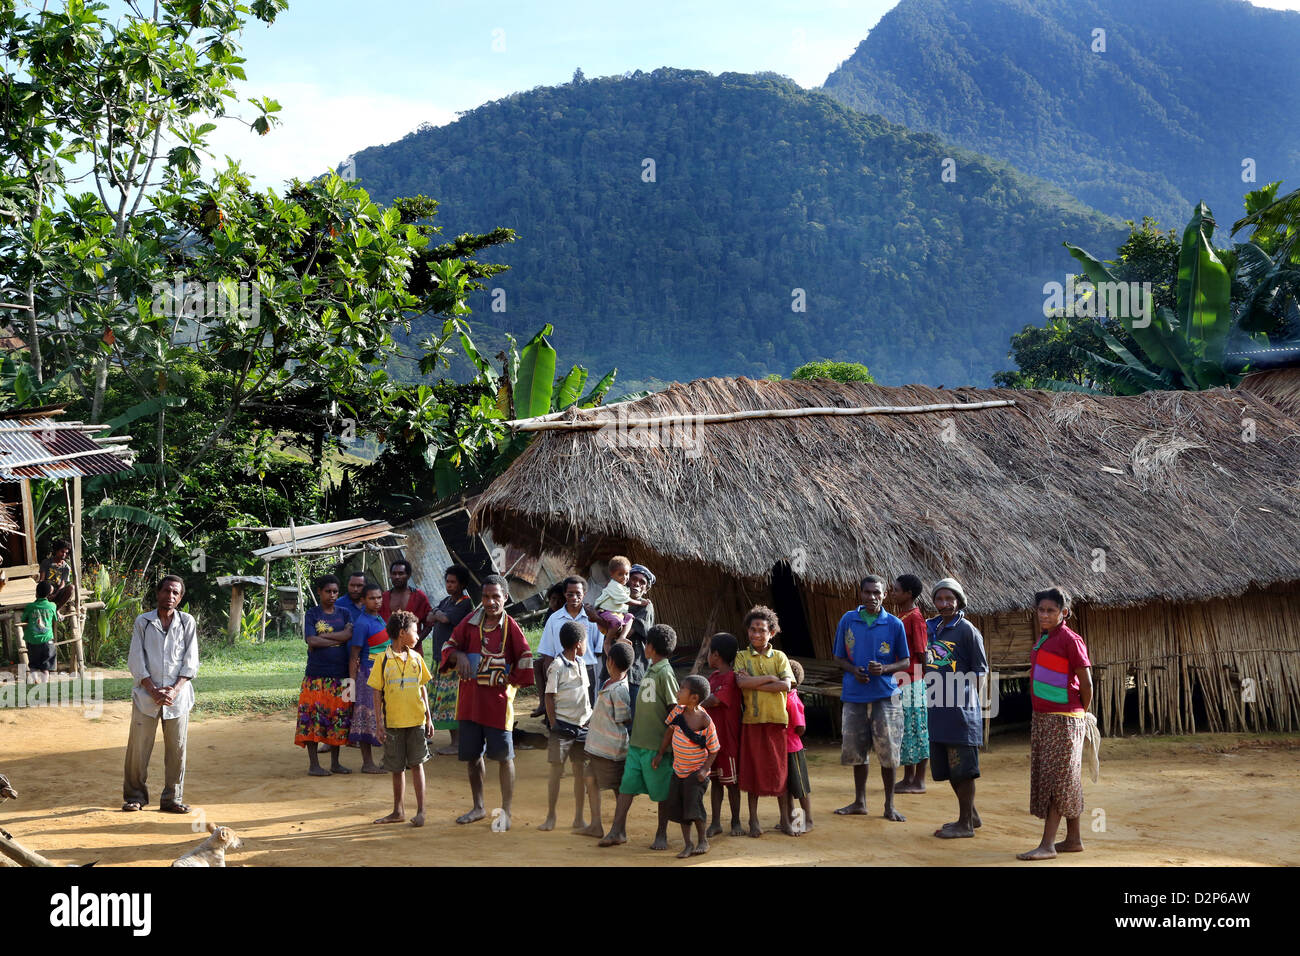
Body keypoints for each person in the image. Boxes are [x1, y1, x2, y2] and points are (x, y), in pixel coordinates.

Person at [439, 574, 534, 830]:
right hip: (469, 702)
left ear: (505, 597)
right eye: (486, 596)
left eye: (496, 596)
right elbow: (447, 647)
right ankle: (479, 807)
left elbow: (525, 660)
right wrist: (457, 655)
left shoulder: (511, 626)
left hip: (498, 705)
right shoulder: (469, 623)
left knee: (504, 758)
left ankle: (507, 811)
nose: (491, 602)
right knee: (472, 757)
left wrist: (508, 682)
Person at [1017, 587, 1094, 861]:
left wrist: (1078, 716)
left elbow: (1087, 683)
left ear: (1064, 612)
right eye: (1041, 610)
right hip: (1044, 719)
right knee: (1065, 778)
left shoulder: (1071, 640)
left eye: (1051, 610)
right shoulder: (1044, 639)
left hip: (1064, 720)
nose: (1045, 615)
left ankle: (1047, 845)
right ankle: (1073, 839)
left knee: (1056, 780)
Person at [832, 575, 911, 822]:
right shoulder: (848, 620)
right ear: (861, 593)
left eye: (877, 593)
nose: (872, 597)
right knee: (857, 749)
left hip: (886, 695)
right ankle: (859, 801)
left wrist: (885, 669)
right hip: (854, 694)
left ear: (884, 595)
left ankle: (889, 805)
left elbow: (906, 661)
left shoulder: (894, 624)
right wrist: (853, 669)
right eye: (867, 592)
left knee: (888, 751)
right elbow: (838, 657)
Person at [122, 575, 198, 813]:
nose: (170, 596)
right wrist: (153, 690)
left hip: (178, 697)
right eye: (166, 591)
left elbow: (191, 661)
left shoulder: (187, 622)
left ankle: (172, 798)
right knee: (138, 750)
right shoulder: (143, 622)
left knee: (177, 749)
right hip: (147, 696)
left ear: (180, 597)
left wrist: (174, 690)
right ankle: (135, 796)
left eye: (175, 593)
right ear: (158, 593)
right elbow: (136, 659)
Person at [599, 623, 679, 849]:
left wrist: (663, 749)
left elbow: (675, 710)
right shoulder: (651, 670)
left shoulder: (665, 673)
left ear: (650, 647)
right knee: (627, 787)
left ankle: (661, 833)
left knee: (661, 792)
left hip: (656, 748)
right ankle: (617, 830)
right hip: (637, 744)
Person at [925, 577, 988, 839]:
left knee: (963, 767)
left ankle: (966, 825)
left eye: (949, 599)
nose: (944, 604)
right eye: (939, 599)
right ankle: (970, 815)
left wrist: (970, 703)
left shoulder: (968, 630)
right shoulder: (931, 628)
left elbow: (980, 671)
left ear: (959, 600)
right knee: (950, 768)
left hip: (961, 712)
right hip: (937, 708)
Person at [368, 610, 434, 827]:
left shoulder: (417, 658)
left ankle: (422, 811)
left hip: (416, 721)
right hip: (394, 724)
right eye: (415, 631)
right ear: (403, 633)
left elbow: (422, 688)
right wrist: (379, 724)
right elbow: (376, 692)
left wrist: (429, 718)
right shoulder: (382, 660)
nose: (418, 636)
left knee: (417, 765)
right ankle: (398, 810)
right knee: (397, 768)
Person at [734, 605, 794, 837]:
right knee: (752, 771)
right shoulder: (741, 656)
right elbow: (741, 684)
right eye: (752, 629)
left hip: (776, 721)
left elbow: (786, 685)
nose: (756, 634)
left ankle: (785, 820)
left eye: (761, 630)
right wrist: (770, 679)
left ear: (772, 632)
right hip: (752, 721)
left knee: (779, 771)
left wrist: (757, 680)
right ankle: (754, 821)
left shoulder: (779, 657)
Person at [294, 574, 353, 776]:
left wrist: (323, 637)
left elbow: (348, 636)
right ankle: (314, 765)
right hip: (316, 676)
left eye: (335, 591)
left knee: (338, 718)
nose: (332, 595)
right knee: (312, 719)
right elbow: (311, 641)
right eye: (328, 591)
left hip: (341, 675)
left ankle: (335, 763)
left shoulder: (345, 613)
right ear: (319, 591)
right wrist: (338, 640)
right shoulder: (312, 614)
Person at [655, 674, 719, 858]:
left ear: (694, 698)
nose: (678, 691)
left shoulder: (705, 721)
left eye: (682, 689)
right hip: (679, 771)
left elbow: (714, 749)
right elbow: (669, 732)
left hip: (696, 774)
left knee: (694, 806)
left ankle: (702, 841)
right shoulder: (677, 712)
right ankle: (688, 844)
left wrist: (705, 769)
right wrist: (660, 753)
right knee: (682, 808)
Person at [540, 620, 592, 832]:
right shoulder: (557, 666)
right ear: (579, 644)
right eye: (586, 641)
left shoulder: (581, 664)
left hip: (581, 727)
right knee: (556, 771)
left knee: (579, 772)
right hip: (562, 727)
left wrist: (588, 717)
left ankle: (578, 817)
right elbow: (549, 697)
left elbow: (585, 695)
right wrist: (554, 725)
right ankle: (551, 815)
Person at [580, 641, 635, 840]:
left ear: (609, 662)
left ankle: (619, 830)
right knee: (591, 780)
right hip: (599, 747)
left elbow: (624, 717)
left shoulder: (619, 689)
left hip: (610, 750)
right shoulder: (609, 683)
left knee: (617, 789)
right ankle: (596, 825)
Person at [428, 565, 476, 755]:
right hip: (441, 660)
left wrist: (439, 615)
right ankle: (455, 741)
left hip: (454, 661)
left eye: (453, 582)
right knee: (443, 702)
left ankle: (457, 743)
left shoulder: (465, 603)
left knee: (452, 703)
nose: (449, 585)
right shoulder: (447, 600)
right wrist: (439, 615)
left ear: (462, 584)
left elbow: (445, 619)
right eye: (447, 581)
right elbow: (432, 616)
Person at [891, 574, 931, 794]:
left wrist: (924, 683)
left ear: (908, 594)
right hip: (901, 681)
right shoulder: (902, 615)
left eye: (896, 590)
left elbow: (922, 652)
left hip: (913, 680)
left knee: (917, 729)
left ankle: (920, 780)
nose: (893, 592)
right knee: (905, 730)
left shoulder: (915, 618)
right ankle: (908, 778)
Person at [537, 575, 601, 709]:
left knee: (586, 709)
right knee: (563, 710)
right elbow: (548, 652)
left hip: (587, 669)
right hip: (561, 670)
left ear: (584, 594)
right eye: (570, 594)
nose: (574, 598)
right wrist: (551, 675)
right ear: (564, 594)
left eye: (578, 594)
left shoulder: (592, 618)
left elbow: (597, 649)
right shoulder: (554, 619)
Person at [702, 631, 743, 838]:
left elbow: (715, 700)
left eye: (709, 652)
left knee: (732, 784)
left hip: (727, 741)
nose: (708, 656)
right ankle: (716, 822)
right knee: (717, 782)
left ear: (716, 655)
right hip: (713, 743)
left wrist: (695, 700)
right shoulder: (713, 677)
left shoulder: (731, 678)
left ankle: (736, 821)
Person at [347, 583, 389, 773]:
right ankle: (367, 763)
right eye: (372, 598)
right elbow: (354, 655)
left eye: (379, 597)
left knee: (384, 716)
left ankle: (388, 759)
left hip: (384, 674)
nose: (377, 601)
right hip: (367, 676)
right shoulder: (362, 623)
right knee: (365, 716)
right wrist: (352, 684)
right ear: (363, 600)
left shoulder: (380, 619)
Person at [621, 564, 656, 717]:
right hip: (614, 666)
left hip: (635, 668)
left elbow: (626, 634)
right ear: (627, 581)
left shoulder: (646, 606)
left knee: (634, 716)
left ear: (646, 589)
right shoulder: (618, 601)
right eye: (634, 579)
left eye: (642, 582)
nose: (636, 583)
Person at [782, 660, 813, 833]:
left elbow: (801, 728)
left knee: (800, 788)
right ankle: (792, 820)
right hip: (784, 748)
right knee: (786, 787)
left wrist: (789, 732)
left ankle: (807, 820)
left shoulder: (792, 699)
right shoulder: (785, 696)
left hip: (793, 749)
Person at [382, 560, 433, 656]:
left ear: (408, 575)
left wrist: (415, 641)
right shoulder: (384, 597)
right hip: (387, 651)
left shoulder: (418, 596)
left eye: (401, 573)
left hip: (413, 652)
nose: (397, 577)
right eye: (394, 574)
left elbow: (429, 624)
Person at [587, 555, 638, 641]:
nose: (636, 584)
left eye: (626, 574)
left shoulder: (619, 590)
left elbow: (630, 631)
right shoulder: (611, 589)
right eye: (620, 574)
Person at [22, 581, 58, 683]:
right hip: (47, 641)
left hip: (33, 641)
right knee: (45, 668)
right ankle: (44, 685)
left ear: (36, 593)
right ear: (49, 594)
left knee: (33, 665)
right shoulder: (52, 606)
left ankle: (35, 681)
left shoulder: (30, 607)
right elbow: (55, 618)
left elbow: (23, 618)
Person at [34, 539, 73, 610]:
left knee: (71, 587)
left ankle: (57, 610)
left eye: (66, 553)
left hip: (58, 592)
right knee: (48, 587)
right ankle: (42, 604)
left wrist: (55, 594)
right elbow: (42, 580)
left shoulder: (66, 567)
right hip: (46, 591)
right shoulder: (46, 562)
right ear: (56, 550)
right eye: (62, 552)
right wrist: (46, 592)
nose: (64, 554)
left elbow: (63, 584)